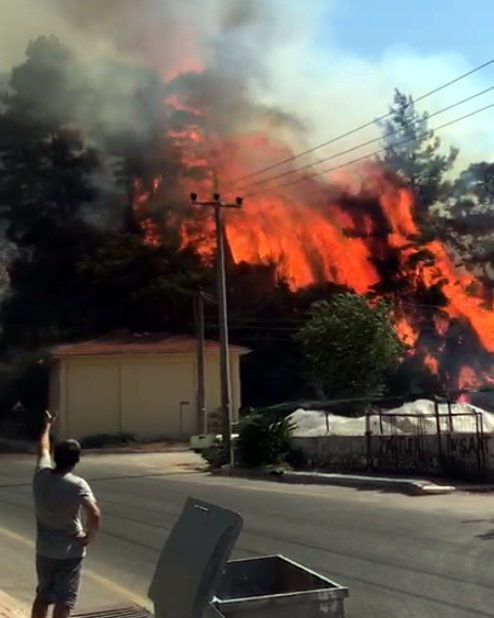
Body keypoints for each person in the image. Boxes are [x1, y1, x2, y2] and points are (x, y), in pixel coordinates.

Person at [32, 412, 101, 618]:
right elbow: (94, 513)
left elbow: (42, 447)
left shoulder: (41, 475)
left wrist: (47, 427)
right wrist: (89, 537)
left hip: (44, 550)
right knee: (64, 601)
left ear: (55, 456)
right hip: (70, 552)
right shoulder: (77, 485)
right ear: (76, 460)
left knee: (43, 595)